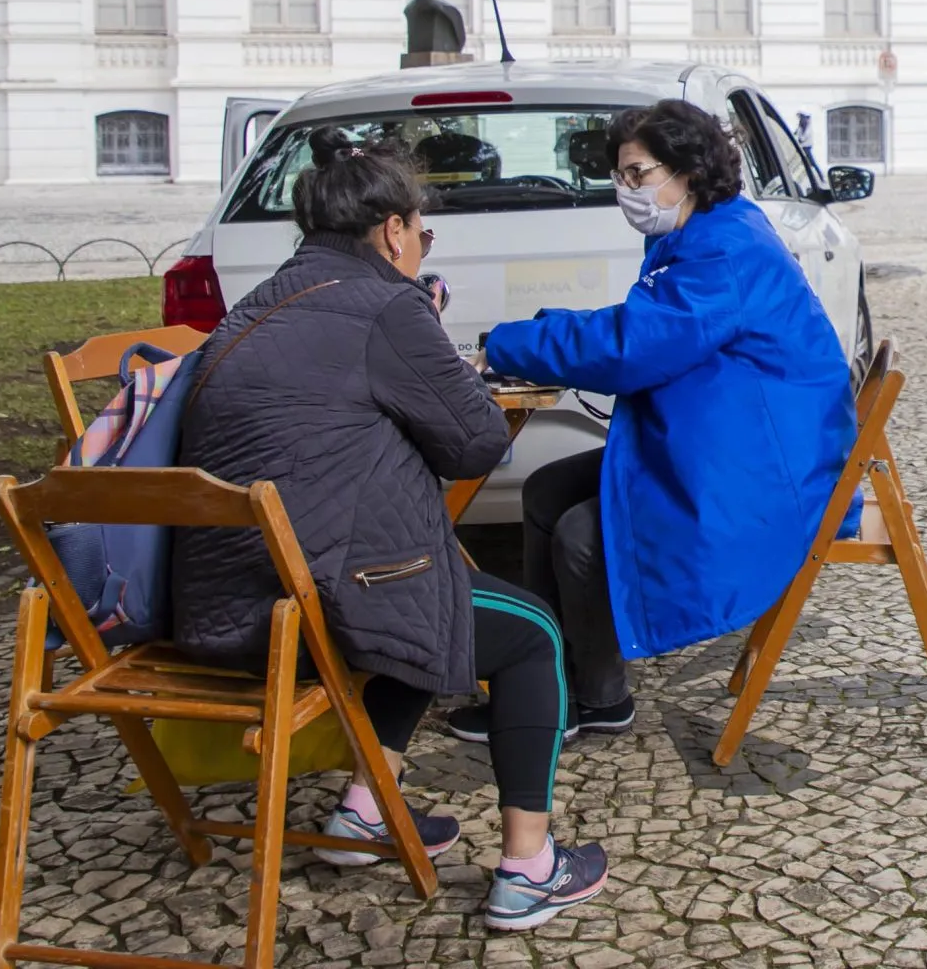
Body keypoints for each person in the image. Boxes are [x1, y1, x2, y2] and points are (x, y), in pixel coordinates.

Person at [169, 129, 611, 934]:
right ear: (395, 231)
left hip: (218, 606)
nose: (420, 246)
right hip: (307, 616)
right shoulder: (389, 305)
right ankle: (528, 868)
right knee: (530, 633)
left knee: (430, 589)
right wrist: (432, 342)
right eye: (423, 232)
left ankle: (364, 815)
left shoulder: (258, 305)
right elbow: (476, 442)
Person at [451, 100, 855, 742]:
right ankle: (548, 677)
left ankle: (594, 697)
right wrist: (545, 331)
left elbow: (631, 346)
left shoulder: (719, 249)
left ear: (688, 169)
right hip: (736, 441)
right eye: (620, 176)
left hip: (770, 471)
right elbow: (644, 329)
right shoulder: (703, 230)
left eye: (637, 174)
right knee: (545, 491)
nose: (626, 191)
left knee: (582, 535)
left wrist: (506, 344)